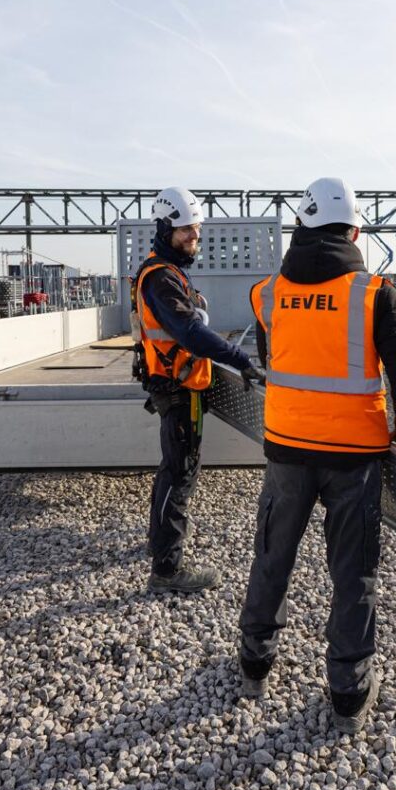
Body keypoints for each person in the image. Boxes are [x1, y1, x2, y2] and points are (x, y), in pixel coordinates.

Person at [238, 177, 396, 733]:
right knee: (353, 572)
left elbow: (272, 358)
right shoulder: (374, 294)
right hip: (354, 458)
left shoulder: (267, 293)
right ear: (353, 230)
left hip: (285, 451)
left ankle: (255, 661)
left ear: (301, 227)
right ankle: (347, 691)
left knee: (273, 556)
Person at [133, 187, 264, 594]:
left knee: (171, 469)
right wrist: (240, 359)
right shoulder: (161, 279)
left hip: (172, 382)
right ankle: (167, 570)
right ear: (165, 228)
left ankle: (159, 543)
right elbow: (190, 331)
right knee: (180, 472)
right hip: (177, 387)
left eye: (197, 229)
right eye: (187, 230)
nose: (195, 237)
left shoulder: (167, 272)